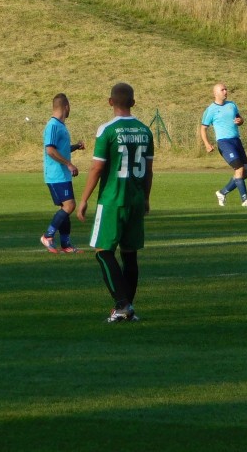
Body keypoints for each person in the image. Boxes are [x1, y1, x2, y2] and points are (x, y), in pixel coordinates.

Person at [77, 83, 154, 323]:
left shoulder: (107, 130)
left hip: (112, 199)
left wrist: (83, 199)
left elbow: (97, 167)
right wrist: (146, 198)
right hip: (136, 198)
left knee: (103, 252)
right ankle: (128, 309)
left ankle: (121, 305)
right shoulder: (145, 130)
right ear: (133, 102)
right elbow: (149, 170)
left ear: (110, 102)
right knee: (129, 255)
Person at [40, 93, 85, 253]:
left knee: (66, 207)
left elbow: (60, 149)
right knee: (70, 205)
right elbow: (50, 150)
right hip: (55, 174)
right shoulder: (53, 126)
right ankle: (48, 235)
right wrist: (69, 164)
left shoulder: (60, 125)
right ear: (66, 107)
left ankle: (66, 245)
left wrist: (75, 147)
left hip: (61, 175)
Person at [200, 82, 247, 207]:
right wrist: (207, 144)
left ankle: (222, 192)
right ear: (215, 93)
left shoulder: (232, 105)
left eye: (226, 89)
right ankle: (245, 199)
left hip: (236, 141)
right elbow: (203, 128)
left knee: (245, 172)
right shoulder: (211, 110)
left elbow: (240, 119)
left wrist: (240, 121)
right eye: (222, 90)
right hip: (224, 143)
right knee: (239, 169)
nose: (225, 91)